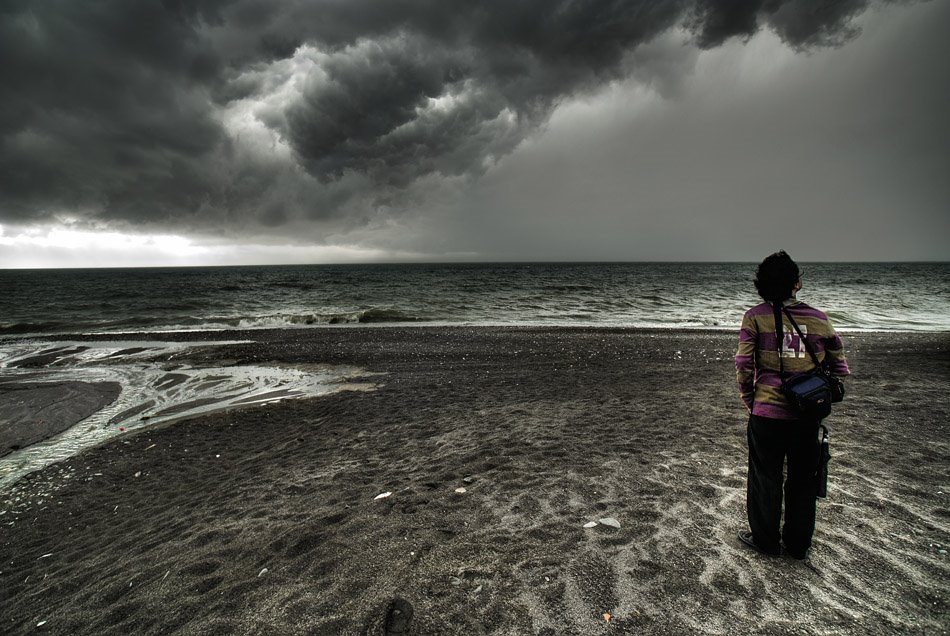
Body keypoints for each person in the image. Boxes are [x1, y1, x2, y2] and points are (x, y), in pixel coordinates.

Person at [735, 251, 850, 559]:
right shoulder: (819, 318)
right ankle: (798, 545)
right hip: (806, 413)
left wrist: (750, 399)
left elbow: (744, 364)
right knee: (803, 480)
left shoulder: (754, 317)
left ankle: (766, 540)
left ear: (761, 285)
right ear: (796, 284)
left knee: (765, 477)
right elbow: (839, 365)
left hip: (766, 411)